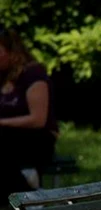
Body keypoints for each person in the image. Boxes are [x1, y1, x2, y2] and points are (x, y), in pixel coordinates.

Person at [0, 27, 59, 201]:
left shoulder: (33, 75)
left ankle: (28, 193)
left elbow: (38, 120)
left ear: (12, 52)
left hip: (36, 138)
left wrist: (2, 123)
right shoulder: (2, 77)